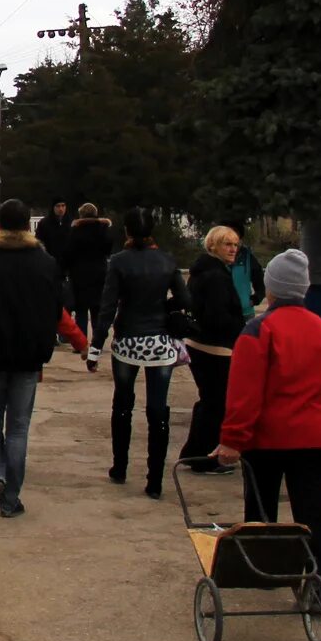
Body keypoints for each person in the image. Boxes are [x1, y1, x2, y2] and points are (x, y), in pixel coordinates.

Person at [214, 248, 321, 591]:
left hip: (267, 441)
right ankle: (319, 585)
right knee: (314, 516)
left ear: (271, 289)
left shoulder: (258, 331)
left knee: (260, 512)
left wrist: (232, 439)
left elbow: (244, 393)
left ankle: (262, 573)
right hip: (317, 441)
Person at [0, 199, 91, 518]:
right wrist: (74, 340)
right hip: (28, 355)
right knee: (18, 426)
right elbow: (58, 308)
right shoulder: (43, 263)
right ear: (28, 225)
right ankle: (11, 499)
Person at [91, 207, 190, 498]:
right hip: (160, 341)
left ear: (127, 232)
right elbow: (185, 298)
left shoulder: (119, 262)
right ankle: (155, 481)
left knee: (123, 405)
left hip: (128, 340)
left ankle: (120, 467)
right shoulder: (167, 261)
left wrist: (96, 345)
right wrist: (164, 308)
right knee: (158, 411)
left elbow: (108, 305)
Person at [178, 226, 248, 474]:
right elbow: (217, 316)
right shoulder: (216, 276)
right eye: (227, 244)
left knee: (210, 400)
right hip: (215, 347)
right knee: (217, 402)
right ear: (213, 246)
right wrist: (241, 327)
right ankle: (204, 456)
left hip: (201, 344)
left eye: (235, 244)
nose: (233, 249)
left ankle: (195, 452)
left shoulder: (204, 271)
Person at [61, 203, 113, 339]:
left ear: (81, 214)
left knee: (81, 310)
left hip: (79, 273)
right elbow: (108, 248)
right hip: (99, 272)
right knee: (97, 309)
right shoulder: (103, 229)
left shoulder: (76, 230)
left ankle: (81, 339)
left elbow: (68, 251)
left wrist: (65, 269)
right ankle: (97, 340)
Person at [35, 199, 71, 263]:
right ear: (53, 207)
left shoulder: (71, 222)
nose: (61, 209)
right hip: (50, 260)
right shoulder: (44, 223)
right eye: (58, 206)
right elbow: (38, 241)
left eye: (63, 206)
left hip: (68, 261)